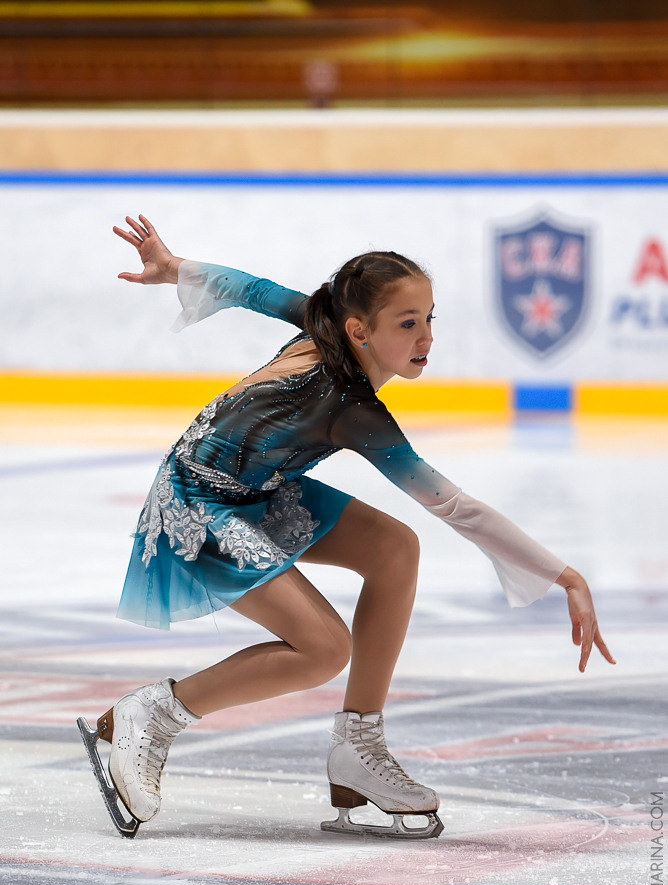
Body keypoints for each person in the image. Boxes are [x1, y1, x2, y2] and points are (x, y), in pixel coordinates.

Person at [78, 215, 615, 841]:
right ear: (359, 329)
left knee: (393, 548)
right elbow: (457, 508)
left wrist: (179, 271)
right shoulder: (355, 411)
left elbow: (249, 289)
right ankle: (156, 713)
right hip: (200, 502)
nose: (424, 338)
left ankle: (359, 748)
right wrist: (565, 574)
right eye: (407, 324)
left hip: (256, 489)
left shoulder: (328, 323)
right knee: (324, 648)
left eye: (429, 319)